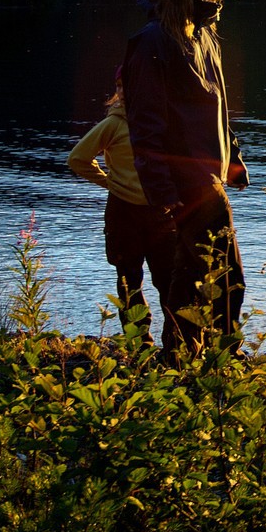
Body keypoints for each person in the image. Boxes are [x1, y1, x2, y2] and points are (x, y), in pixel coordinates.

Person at [120, 0, 250, 356]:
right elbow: (145, 127)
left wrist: (233, 160)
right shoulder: (152, 42)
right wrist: (162, 192)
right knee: (220, 275)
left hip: (208, 175)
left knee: (199, 274)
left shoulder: (203, 35)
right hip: (186, 182)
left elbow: (217, 105)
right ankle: (208, 355)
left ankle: (190, 355)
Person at [66, 70, 173, 340]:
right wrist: (109, 183)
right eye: (119, 86)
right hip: (124, 212)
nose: (123, 92)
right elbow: (77, 159)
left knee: (167, 280)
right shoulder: (114, 123)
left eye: (128, 85)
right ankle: (139, 343)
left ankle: (176, 345)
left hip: (160, 211)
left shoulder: (165, 119)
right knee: (129, 281)